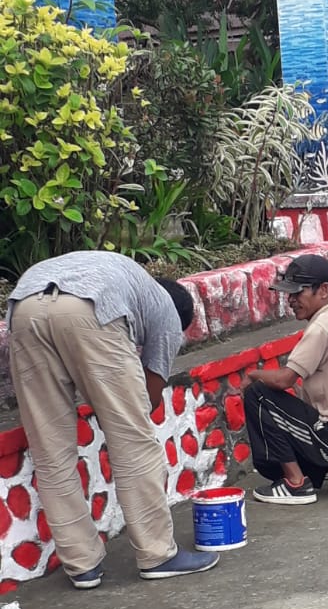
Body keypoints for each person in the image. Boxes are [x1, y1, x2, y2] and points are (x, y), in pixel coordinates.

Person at [6, 251, 219, 587]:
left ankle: (82, 565)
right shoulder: (166, 308)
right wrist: (119, 409)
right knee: (135, 443)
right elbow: (149, 395)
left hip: (24, 308)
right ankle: (158, 554)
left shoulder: (127, 278)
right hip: (90, 307)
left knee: (50, 450)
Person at [241, 255, 328, 504]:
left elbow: (284, 380)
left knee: (258, 394)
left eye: (297, 293)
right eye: (289, 294)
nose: (291, 300)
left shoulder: (323, 326)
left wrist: (253, 374)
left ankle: (296, 484)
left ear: (324, 290)